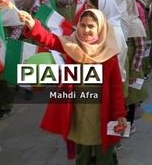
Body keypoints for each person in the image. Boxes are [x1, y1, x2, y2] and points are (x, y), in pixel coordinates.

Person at [18, 9, 127, 165]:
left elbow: (116, 87)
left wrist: (120, 114)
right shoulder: (72, 45)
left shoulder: (109, 53)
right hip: (79, 112)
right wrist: (32, 24)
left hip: (103, 113)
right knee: (82, 154)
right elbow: (50, 40)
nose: (86, 30)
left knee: (105, 155)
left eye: (91, 26)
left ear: (100, 28)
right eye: (82, 25)